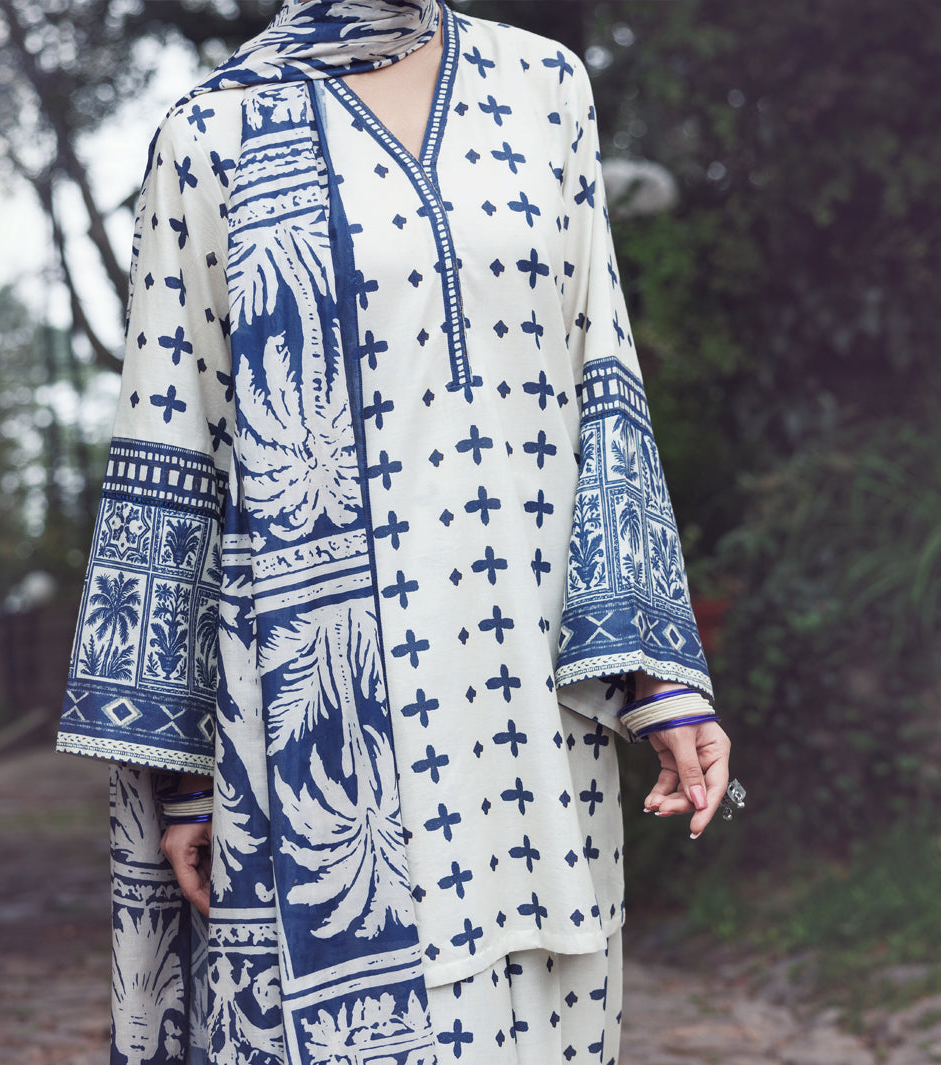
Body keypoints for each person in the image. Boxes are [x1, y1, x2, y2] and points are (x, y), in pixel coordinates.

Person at [54, 2, 734, 1062]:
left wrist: (659, 677)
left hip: (530, 711)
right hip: (318, 735)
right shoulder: (214, 130)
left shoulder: (544, 84)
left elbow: (602, 377)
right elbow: (174, 437)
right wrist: (185, 776)